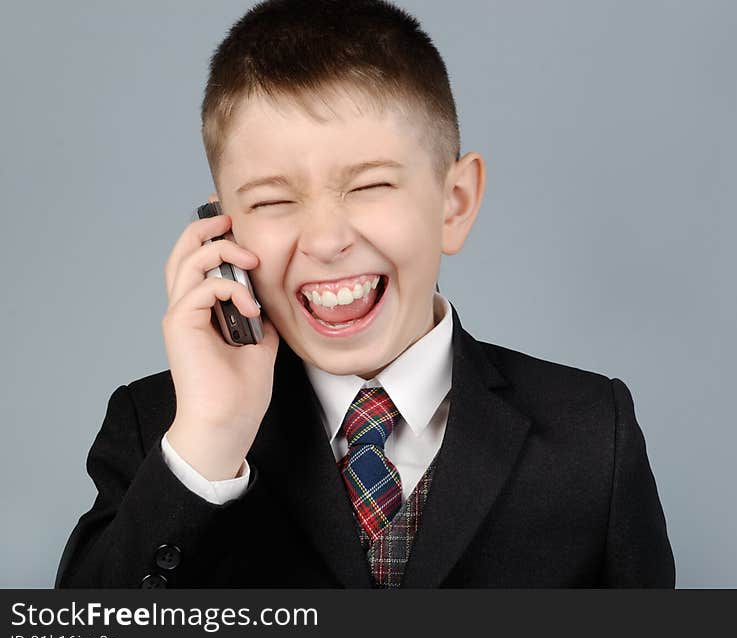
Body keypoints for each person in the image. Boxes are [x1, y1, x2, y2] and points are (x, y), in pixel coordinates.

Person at [56, 0, 674, 588]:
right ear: (222, 231)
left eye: (370, 186)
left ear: (454, 204)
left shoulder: (593, 433)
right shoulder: (161, 433)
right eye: (272, 200)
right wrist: (210, 440)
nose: (326, 240)